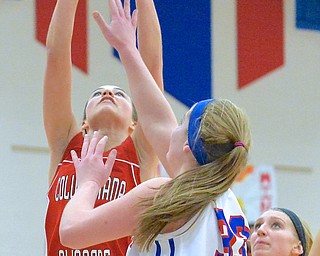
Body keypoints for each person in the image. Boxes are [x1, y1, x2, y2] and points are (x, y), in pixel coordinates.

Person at [59, 0, 253, 254]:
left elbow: (71, 231)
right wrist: (127, 48)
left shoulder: (162, 195)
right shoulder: (224, 200)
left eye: (181, 123)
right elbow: (155, 118)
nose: (172, 127)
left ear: (187, 146)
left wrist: (89, 182)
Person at [43, 0, 163, 254]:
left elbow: (153, 68)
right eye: (98, 93)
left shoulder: (140, 154)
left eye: (120, 94)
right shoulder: (65, 144)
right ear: (83, 121)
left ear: (134, 123)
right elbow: (56, 57)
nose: (108, 92)